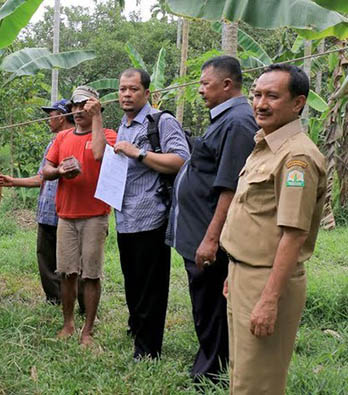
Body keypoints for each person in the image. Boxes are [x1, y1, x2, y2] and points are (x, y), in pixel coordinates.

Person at [220, 64, 326, 394]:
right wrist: (235, 270)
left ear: (298, 103)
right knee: (242, 375)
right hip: (245, 274)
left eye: (272, 96)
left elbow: (294, 235)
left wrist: (268, 299)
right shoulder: (265, 144)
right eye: (257, 94)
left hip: (267, 280)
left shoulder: (297, 157)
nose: (261, 103)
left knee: (258, 385)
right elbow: (257, 218)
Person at [167, 56, 258, 382]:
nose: (201, 90)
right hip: (198, 231)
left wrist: (210, 239)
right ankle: (208, 361)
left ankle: (211, 374)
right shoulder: (224, 119)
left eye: (205, 84)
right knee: (204, 304)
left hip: (209, 234)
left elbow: (229, 186)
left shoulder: (237, 122)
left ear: (227, 85)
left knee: (212, 307)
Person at [108, 68, 190, 359]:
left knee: (151, 287)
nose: (126, 94)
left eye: (133, 89)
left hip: (151, 216)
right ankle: (137, 330)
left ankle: (148, 349)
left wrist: (138, 153)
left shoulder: (162, 121)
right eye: (122, 89)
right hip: (125, 216)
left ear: (147, 93)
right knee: (132, 281)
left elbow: (181, 160)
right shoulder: (124, 124)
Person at [42, 86, 117, 346]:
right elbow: (46, 170)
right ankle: (68, 323)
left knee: (91, 274)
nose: (78, 110)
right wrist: (60, 170)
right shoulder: (62, 138)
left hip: (95, 215)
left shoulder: (107, 134)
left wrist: (97, 118)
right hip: (66, 216)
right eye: (74, 106)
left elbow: (99, 153)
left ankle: (88, 331)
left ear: (95, 108)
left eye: (85, 105)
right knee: (67, 272)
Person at [0, 99, 74, 304]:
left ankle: (75, 299)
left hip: (68, 212)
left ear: (63, 116)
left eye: (52, 114)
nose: (49, 118)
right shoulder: (52, 143)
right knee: (46, 258)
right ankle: (54, 299)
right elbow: (42, 177)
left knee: (71, 261)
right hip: (47, 211)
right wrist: (13, 182)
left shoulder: (75, 140)